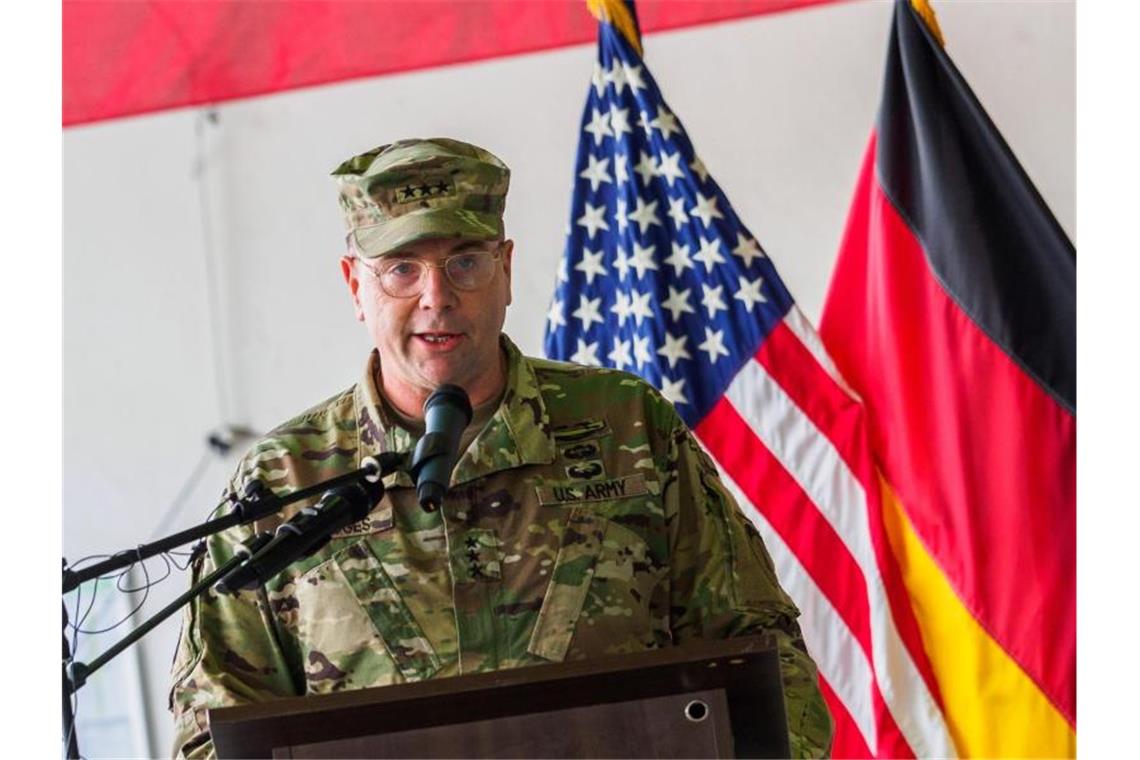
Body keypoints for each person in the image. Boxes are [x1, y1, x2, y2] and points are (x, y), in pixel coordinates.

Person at [168, 137, 833, 757]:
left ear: (506, 269)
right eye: (402, 268)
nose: (437, 297)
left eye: (465, 262)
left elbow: (762, 661)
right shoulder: (285, 481)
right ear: (355, 286)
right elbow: (211, 729)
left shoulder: (627, 426)